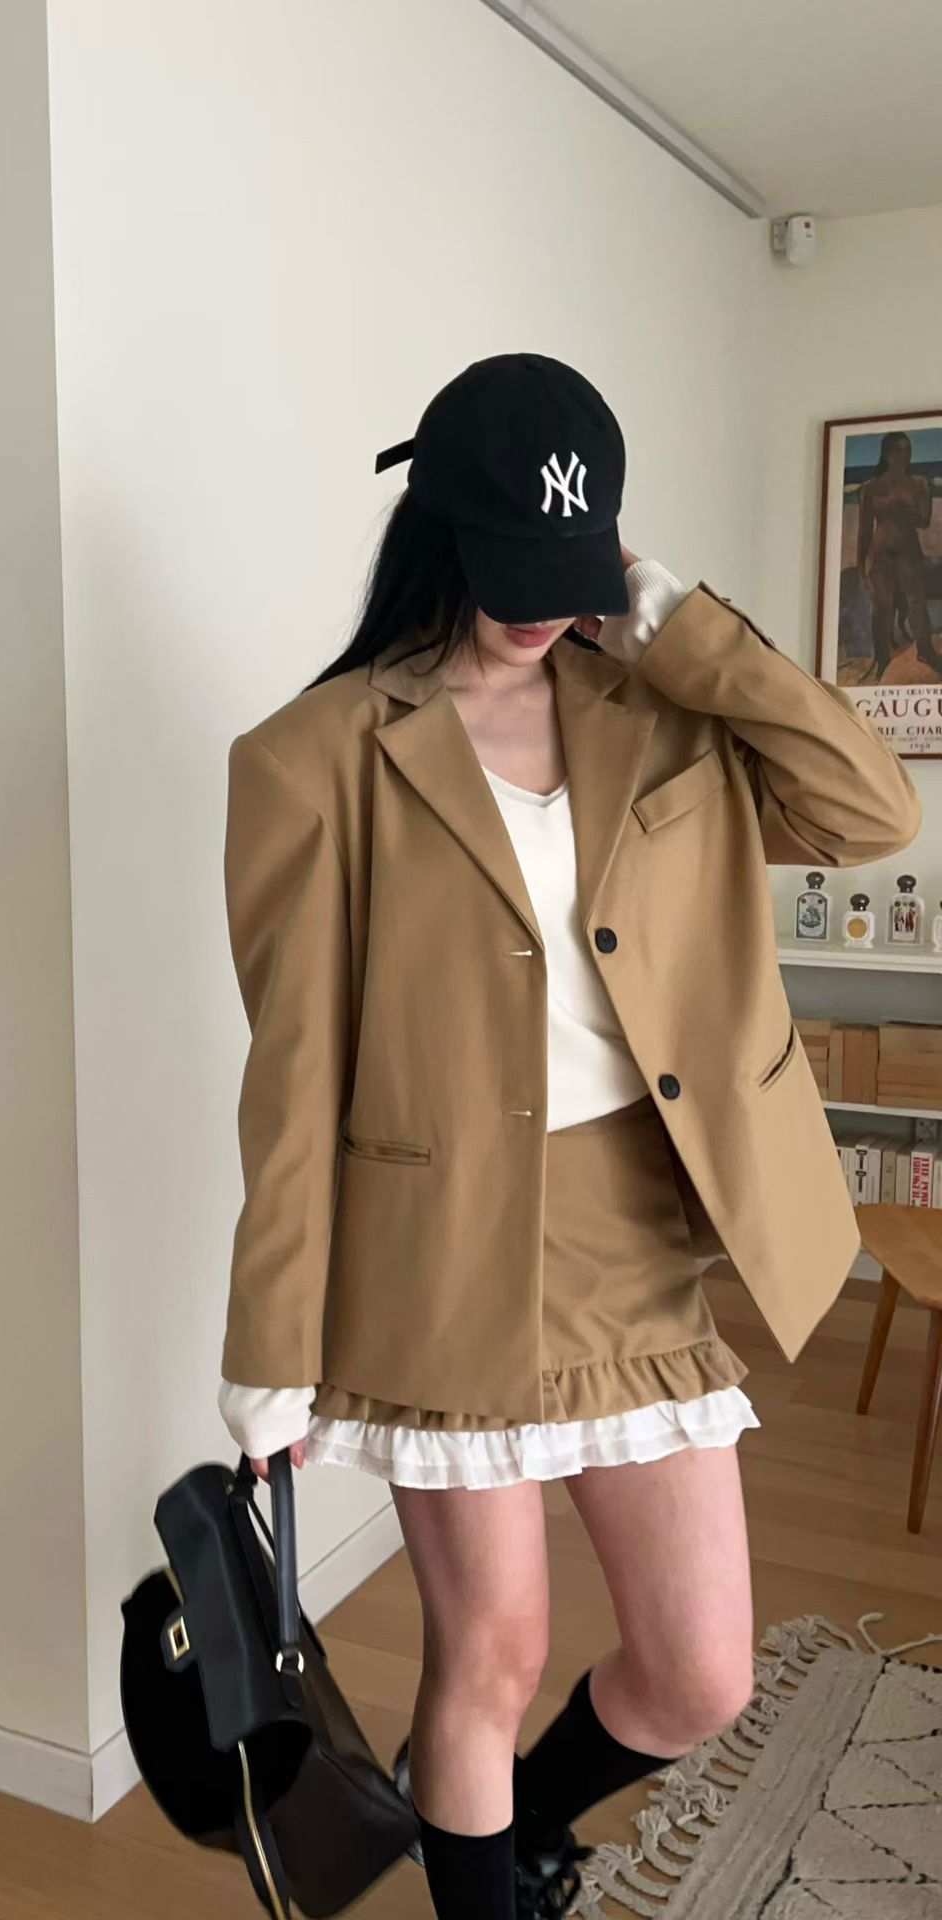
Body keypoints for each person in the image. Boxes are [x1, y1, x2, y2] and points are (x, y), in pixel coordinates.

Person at [212, 354, 922, 1920]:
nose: (540, 609)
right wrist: (269, 1347)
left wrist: (679, 628)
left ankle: (507, 1825)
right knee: (493, 1650)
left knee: (702, 1669)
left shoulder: (663, 714)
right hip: (440, 1253)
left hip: (635, 1245)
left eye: (571, 569)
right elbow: (294, 1073)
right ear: (438, 528)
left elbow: (874, 812)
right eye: (511, 570)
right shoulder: (314, 758)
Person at [857, 429, 941, 681]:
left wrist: (900, 506)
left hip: (908, 552)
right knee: (882, 608)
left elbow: (925, 521)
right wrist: (861, 564)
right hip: (880, 553)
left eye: (907, 450)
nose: (904, 455)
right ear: (886, 454)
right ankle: (882, 659)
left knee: (917, 604)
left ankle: (926, 651)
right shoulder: (870, 487)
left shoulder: (919, 483)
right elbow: (864, 529)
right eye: (898, 451)